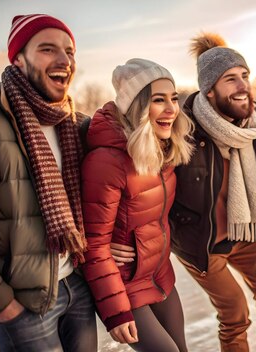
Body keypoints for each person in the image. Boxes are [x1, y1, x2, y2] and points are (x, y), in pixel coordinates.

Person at [111, 34, 256, 352]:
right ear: (209, 89)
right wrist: (115, 236)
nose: (242, 85)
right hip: (202, 243)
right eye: (231, 79)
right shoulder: (181, 129)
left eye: (245, 76)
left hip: (247, 230)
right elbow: (137, 181)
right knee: (235, 313)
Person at [0, 14, 97, 352]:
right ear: (18, 59)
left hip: (77, 290)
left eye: (70, 51)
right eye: (47, 49)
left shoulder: (76, 125)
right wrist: (2, 303)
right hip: (24, 305)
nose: (64, 60)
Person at [81, 58, 193, 351]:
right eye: (158, 100)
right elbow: (95, 244)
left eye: (174, 99)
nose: (171, 109)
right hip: (125, 284)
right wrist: (116, 311)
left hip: (158, 274)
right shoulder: (108, 161)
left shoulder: (163, 151)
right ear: (137, 107)